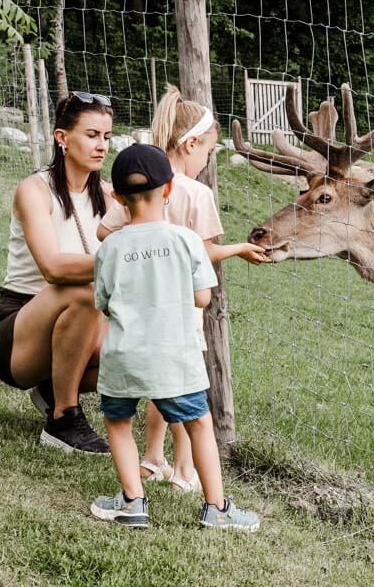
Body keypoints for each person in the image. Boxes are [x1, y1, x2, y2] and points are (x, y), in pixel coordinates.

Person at [97, 87, 267, 491]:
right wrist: (241, 248)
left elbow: (105, 234)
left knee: (144, 396)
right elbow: (205, 257)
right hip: (178, 314)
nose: (207, 158)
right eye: (208, 150)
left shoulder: (125, 215)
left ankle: (151, 461)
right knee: (184, 397)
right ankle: (186, 472)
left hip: (132, 320)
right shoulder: (196, 194)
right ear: (192, 143)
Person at [0, 91, 114, 454]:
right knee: (83, 293)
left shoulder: (109, 197)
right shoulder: (35, 190)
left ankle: (54, 388)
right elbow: (53, 268)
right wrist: (122, 262)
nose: (101, 146)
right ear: (62, 138)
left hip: (75, 323)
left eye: (106, 136)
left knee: (137, 346)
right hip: (15, 328)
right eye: (91, 135)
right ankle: (63, 418)